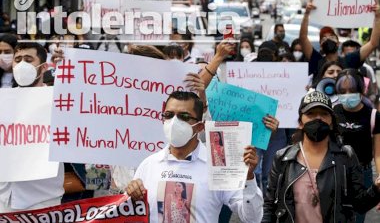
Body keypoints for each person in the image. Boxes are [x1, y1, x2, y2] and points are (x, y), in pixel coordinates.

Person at [125, 91, 263, 223]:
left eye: (184, 117)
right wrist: (131, 196)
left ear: (199, 127)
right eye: (168, 115)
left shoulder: (218, 167)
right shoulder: (149, 165)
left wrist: (249, 178)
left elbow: (252, 218)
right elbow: (128, 213)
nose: (174, 122)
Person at [262, 90, 380, 223]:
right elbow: (269, 207)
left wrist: (376, 189)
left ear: (331, 122)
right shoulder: (283, 158)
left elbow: (360, 204)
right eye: (310, 114)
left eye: (324, 114)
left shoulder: (346, 156)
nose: (318, 118)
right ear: (300, 122)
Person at [0, 42, 64, 212]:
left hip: (43, 201)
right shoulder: (3, 101)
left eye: (28, 60)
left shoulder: (59, 101)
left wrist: (68, 69)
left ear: (43, 67)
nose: (22, 65)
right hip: (4, 199)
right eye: (18, 59)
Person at [333, 69, 380, 222]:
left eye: (352, 90)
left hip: (363, 174)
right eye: (342, 90)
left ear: (361, 90)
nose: (347, 94)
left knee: (358, 217)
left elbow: (378, 154)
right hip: (336, 172)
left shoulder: (373, 116)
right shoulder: (332, 112)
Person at [300, 0, 380, 82]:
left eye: (331, 37)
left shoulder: (349, 60)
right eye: (324, 38)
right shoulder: (317, 60)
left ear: (338, 43)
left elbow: (372, 43)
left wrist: (378, 17)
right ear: (321, 45)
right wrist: (306, 14)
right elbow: (303, 38)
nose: (328, 39)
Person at [341, 40, 378, 106]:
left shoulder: (366, 70)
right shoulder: (338, 70)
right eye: (348, 55)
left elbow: (373, 93)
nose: (351, 58)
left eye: (353, 54)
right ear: (342, 53)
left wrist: (365, 101)